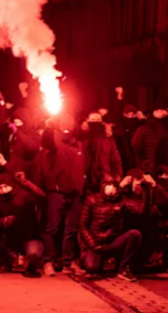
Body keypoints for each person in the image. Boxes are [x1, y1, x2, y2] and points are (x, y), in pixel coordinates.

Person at [40, 117, 85, 276]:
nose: (67, 131)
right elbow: (46, 142)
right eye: (64, 128)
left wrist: (80, 186)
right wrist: (48, 129)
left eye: (69, 128)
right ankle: (49, 261)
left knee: (71, 230)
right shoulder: (54, 141)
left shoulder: (79, 145)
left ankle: (68, 261)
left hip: (75, 192)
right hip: (57, 192)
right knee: (52, 228)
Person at [78, 174, 145, 281]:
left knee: (135, 234)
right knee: (91, 267)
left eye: (114, 186)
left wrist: (138, 192)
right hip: (96, 243)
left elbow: (139, 210)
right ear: (103, 186)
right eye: (108, 185)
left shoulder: (121, 200)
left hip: (113, 241)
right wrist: (93, 244)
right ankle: (86, 258)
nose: (111, 188)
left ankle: (123, 268)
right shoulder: (92, 200)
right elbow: (83, 225)